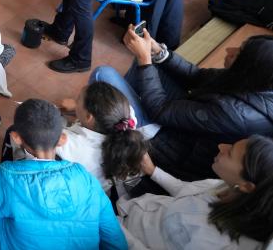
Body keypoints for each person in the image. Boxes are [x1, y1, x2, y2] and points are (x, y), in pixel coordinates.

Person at [91, 28, 273, 181]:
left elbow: (159, 109)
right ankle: (125, 110)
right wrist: (157, 52)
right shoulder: (255, 83)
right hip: (184, 122)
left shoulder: (235, 114)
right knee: (150, 62)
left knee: (103, 75)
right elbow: (197, 76)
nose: (229, 50)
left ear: (247, 69)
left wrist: (145, 61)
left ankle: (121, 122)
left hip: (171, 146)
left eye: (238, 54)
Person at [0, 99, 128, 250]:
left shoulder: (5, 178)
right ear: (62, 139)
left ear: (16, 138)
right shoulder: (85, 178)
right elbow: (113, 236)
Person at [118, 136, 273, 249]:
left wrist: (113, 227)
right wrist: (152, 170)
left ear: (246, 186)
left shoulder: (216, 244)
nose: (221, 146)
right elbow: (186, 190)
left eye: (230, 152)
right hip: (134, 210)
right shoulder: (225, 186)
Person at [42, 82, 148, 195]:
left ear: (89, 117)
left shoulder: (68, 144)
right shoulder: (126, 121)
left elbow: (36, 136)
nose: (75, 102)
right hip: (100, 189)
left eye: (78, 100)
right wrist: (76, 108)